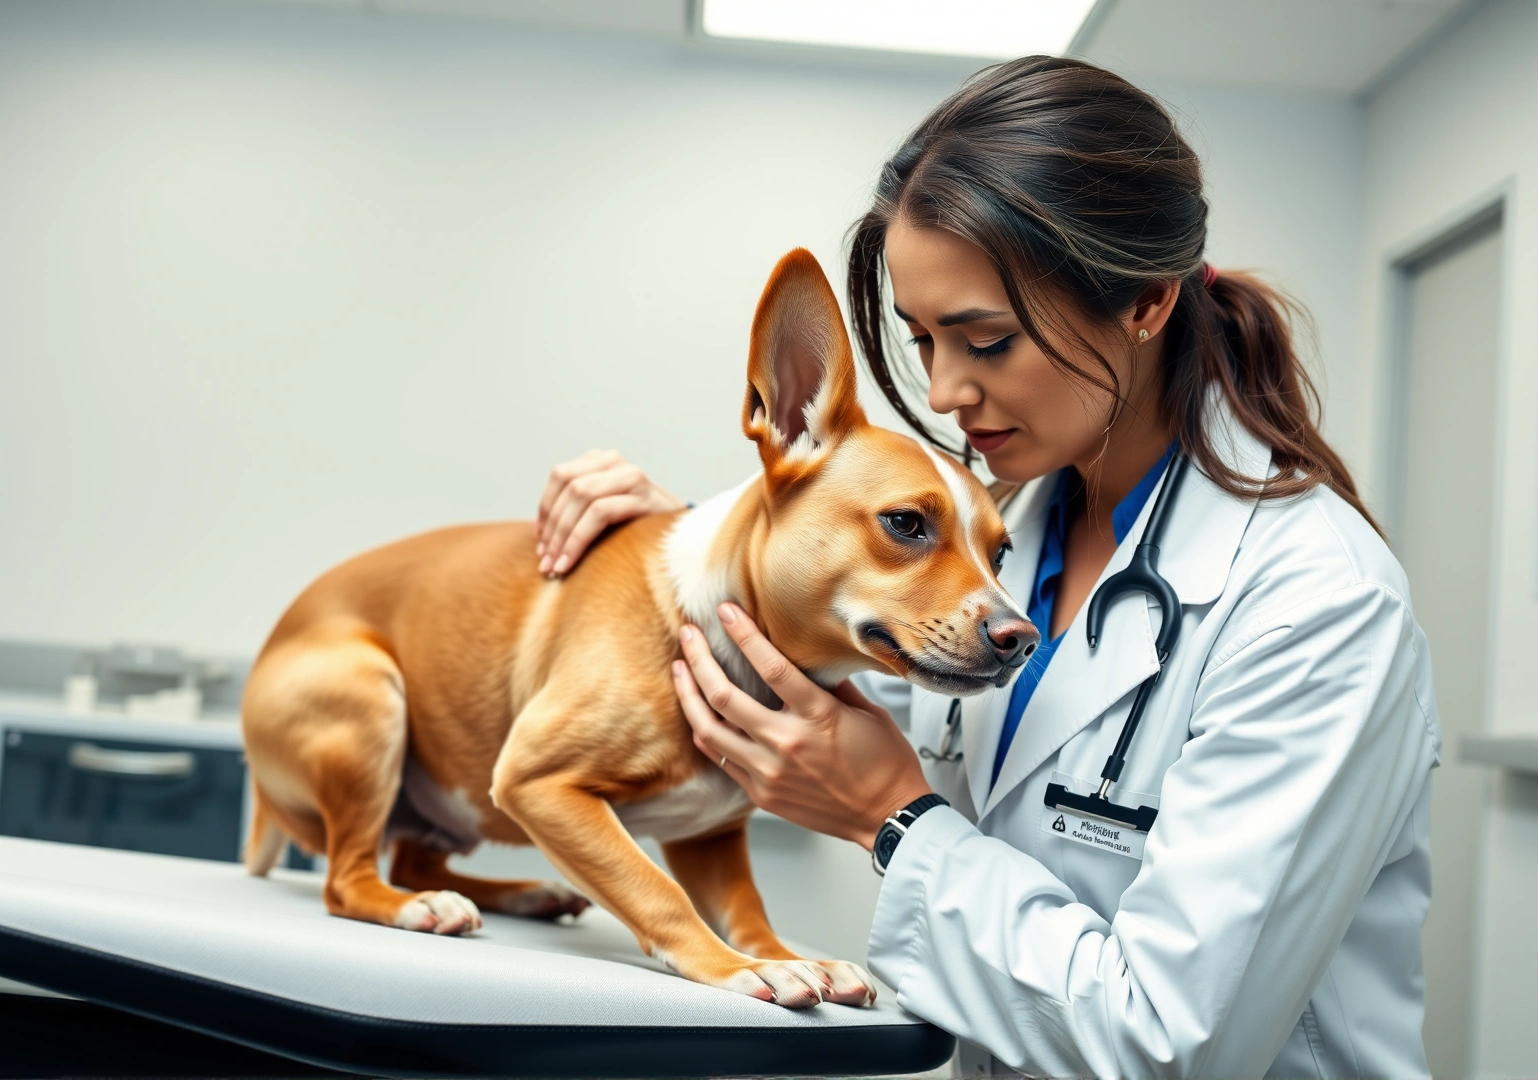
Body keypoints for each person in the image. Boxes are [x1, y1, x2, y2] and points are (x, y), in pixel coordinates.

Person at [532, 56, 1438, 1080]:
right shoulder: (1014, 532)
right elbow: (838, 632)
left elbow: (1178, 1043)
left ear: (1145, 303)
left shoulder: (1314, 602)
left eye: (987, 341)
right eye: (922, 339)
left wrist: (895, 821)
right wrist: (690, 543)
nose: (946, 391)